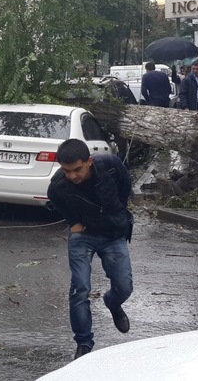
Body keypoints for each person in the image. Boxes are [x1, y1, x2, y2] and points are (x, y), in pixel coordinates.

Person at [47, 139, 133, 361]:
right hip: (83, 236)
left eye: (78, 169)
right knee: (80, 289)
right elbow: (55, 199)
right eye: (67, 171)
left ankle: (113, 303)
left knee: (124, 287)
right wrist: (73, 221)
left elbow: (126, 185)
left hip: (113, 234)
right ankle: (84, 342)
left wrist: (117, 213)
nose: (73, 176)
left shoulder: (110, 166)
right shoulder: (58, 185)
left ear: (89, 161)